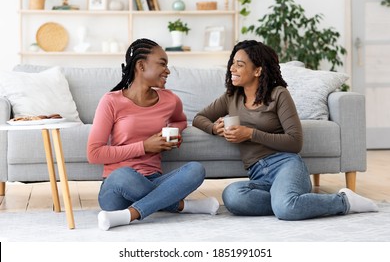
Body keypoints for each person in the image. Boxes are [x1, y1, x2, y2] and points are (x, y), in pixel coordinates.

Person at [192, 40, 378, 220]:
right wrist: (214, 129)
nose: (232, 69)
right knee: (232, 196)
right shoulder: (231, 97)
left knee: (285, 209)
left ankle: (344, 201)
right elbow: (199, 118)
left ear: (257, 70)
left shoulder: (278, 94)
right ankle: (289, 201)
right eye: (232, 64)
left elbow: (295, 141)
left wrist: (250, 133)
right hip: (258, 174)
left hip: (285, 165)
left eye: (239, 65)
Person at [87, 38, 219, 231]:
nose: (168, 71)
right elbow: (94, 153)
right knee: (123, 174)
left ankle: (130, 214)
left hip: (154, 179)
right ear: (141, 66)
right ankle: (182, 205)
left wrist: (174, 134)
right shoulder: (111, 101)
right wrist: (144, 146)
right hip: (117, 189)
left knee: (196, 170)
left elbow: (180, 121)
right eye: (162, 64)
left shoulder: (170, 99)